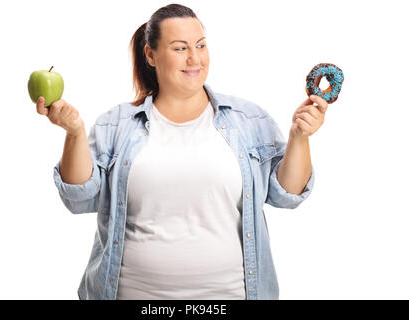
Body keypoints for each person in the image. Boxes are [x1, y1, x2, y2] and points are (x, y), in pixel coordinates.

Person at [36, 3, 327, 300]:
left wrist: (300, 137)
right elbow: (79, 198)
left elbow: (287, 194)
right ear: (150, 55)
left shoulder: (248, 120)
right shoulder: (117, 123)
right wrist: (74, 133)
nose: (194, 58)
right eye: (179, 48)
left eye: (200, 45)